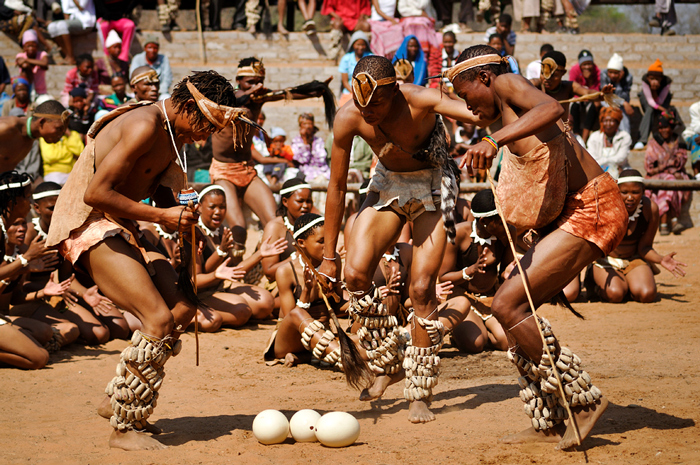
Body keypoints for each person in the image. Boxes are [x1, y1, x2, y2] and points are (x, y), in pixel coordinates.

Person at [46, 70, 255, 451]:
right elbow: (95, 194)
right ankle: (124, 428)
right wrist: (163, 218)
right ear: (189, 107)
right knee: (157, 320)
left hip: (126, 225)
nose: (206, 136)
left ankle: (117, 398)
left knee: (181, 309)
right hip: (89, 223)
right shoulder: (144, 124)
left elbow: (157, 197)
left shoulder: (176, 136)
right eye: (205, 125)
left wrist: (179, 211)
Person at [450, 45, 627, 449]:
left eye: (466, 94)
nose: (467, 105)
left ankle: (581, 403)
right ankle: (548, 418)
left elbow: (553, 109)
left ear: (484, 79)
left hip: (594, 208)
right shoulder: (509, 109)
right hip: (576, 213)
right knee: (511, 305)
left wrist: (493, 142)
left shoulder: (509, 82)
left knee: (506, 305)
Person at [319, 55, 481, 423]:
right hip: (387, 184)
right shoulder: (349, 117)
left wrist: (490, 133)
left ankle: (419, 392)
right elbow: (336, 185)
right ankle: (387, 364)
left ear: (394, 90)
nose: (368, 111)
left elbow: (479, 112)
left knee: (422, 288)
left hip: (433, 186)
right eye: (362, 103)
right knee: (356, 276)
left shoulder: (421, 99)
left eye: (376, 101)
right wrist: (329, 254)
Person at [209, 57, 325, 230]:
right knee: (238, 228)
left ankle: (264, 252)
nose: (258, 86)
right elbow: (236, 100)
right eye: (251, 82)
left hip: (247, 169)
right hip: (223, 172)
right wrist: (250, 92)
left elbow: (287, 93)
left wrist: (316, 90)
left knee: (276, 223)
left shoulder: (258, 97)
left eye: (260, 81)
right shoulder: (226, 98)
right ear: (238, 80)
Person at [191, 184, 279, 330]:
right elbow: (198, 277)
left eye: (222, 207)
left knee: (266, 302)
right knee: (242, 311)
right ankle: (198, 314)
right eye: (212, 207)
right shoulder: (195, 233)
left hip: (219, 286)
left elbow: (233, 271)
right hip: (201, 292)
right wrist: (220, 251)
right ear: (199, 207)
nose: (218, 212)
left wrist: (260, 254)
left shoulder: (221, 232)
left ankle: (225, 310)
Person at [590, 169, 685, 303]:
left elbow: (644, 248)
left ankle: (630, 284)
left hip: (634, 259)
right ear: (617, 190)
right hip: (607, 261)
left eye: (635, 192)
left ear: (644, 191)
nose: (630, 197)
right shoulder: (605, 208)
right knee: (615, 294)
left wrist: (661, 259)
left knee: (647, 294)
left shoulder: (650, 209)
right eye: (624, 192)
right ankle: (597, 284)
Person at [439, 189, 508, 354]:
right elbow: (443, 277)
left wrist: (510, 271)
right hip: (462, 297)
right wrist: (469, 271)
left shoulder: (506, 232)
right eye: (498, 220)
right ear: (484, 221)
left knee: (506, 342)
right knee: (475, 344)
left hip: (490, 297)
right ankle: (462, 333)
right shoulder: (457, 234)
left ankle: (484, 331)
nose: (503, 222)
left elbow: (506, 271)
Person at [530, 50, 614, 122]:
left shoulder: (568, 87)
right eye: (543, 73)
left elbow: (588, 92)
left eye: (553, 75)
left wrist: (601, 94)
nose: (546, 79)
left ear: (563, 73)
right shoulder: (534, 86)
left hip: (560, 136)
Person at [644, 111, 690, 236]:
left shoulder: (678, 141)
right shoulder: (654, 142)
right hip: (657, 175)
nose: (663, 130)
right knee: (667, 180)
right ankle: (672, 220)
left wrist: (665, 166)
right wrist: (667, 166)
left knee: (671, 180)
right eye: (661, 128)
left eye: (666, 127)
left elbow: (680, 161)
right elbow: (649, 165)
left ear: (672, 127)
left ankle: (664, 223)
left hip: (676, 174)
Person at [260, 178, 313, 283]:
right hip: (282, 286)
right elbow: (269, 273)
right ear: (285, 201)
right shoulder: (275, 227)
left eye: (309, 201)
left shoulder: (314, 225)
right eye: (300, 201)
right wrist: (298, 257)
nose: (305, 206)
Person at [0, 99, 68, 172]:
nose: (61, 134)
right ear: (42, 122)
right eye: (59, 129)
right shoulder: (7, 127)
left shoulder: (31, 136)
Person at [636, 59, 673, 150]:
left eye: (657, 79)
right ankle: (642, 139)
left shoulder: (666, 83)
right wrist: (652, 90)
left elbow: (660, 101)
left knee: (661, 114)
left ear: (661, 79)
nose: (654, 81)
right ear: (648, 78)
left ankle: (661, 139)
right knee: (650, 110)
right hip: (649, 100)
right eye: (652, 79)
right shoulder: (645, 82)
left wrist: (655, 91)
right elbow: (650, 101)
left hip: (661, 100)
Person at [586, 107, 631, 179]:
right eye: (605, 121)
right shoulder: (594, 136)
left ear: (617, 123)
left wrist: (606, 163)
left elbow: (621, 158)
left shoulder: (624, 136)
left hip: (620, 169)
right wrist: (605, 165)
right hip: (598, 170)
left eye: (611, 121)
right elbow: (592, 157)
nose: (608, 124)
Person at [47, 0, 96, 65]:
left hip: (86, 21)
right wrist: (65, 30)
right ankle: (67, 56)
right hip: (72, 21)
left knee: (62, 25)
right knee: (51, 27)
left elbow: (81, 7)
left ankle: (71, 57)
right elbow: (66, 13)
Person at [600, 53, 634, 135]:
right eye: (610, 72)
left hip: (619, 104)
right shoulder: (604, 75)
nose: (612, 75)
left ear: (621, 72)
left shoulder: (628, 77)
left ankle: (625, 137)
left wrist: (618, 83)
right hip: (607, 101)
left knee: (622, 115)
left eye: (616, 73)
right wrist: (623, 102)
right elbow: (606, 95)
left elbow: (625, 96)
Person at [291, 113, 329, 183]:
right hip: (305, 174)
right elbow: (302, 160)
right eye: (304, 124)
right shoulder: (295, 141)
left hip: (321, 172)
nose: (307, 126)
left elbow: (321, 160)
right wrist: (305, 143)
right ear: (300, 126)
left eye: (310, 123)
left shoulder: (319, 141)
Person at [339, 30, 372, 107]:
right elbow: (345, 82)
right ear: (353, 44)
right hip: (350, 91)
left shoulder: (370, 57)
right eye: (358, 44)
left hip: (367, 92)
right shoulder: (346, 59)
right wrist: (356, 93)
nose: (360, 47)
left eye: (363, 45)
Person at [15, 29, 49, 98]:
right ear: (24, 47)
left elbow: (45, 64)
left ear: (37, 46)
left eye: (33, 46)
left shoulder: (42, 54)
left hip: (41, 92)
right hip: (26, 92)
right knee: (25, 66)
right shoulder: (20, 55)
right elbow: (21, 63)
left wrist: (26, 60)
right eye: (28, 46)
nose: (31, 48)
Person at [681, 100, 700, 179]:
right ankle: (697, 173)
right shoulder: (695, 108)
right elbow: (697, 129)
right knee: (697, 139)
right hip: (692, 136)